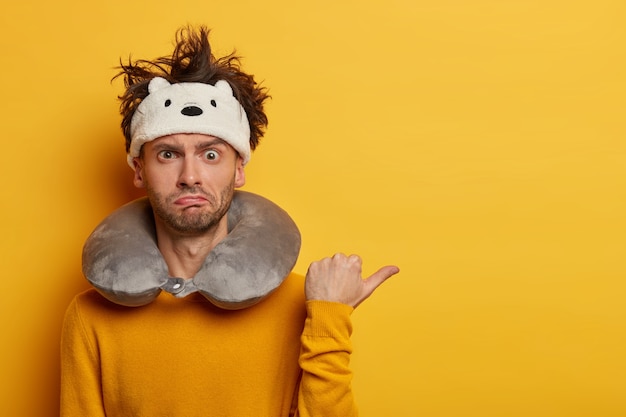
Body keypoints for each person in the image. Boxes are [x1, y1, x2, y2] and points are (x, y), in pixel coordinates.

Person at [60, 25, 399, 417]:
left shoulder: (301, 304)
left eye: (210, 154)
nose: (190, 176)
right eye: (168, 154)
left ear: (239, 169)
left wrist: (329, 322)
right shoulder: (90, 316)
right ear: (139, 170)